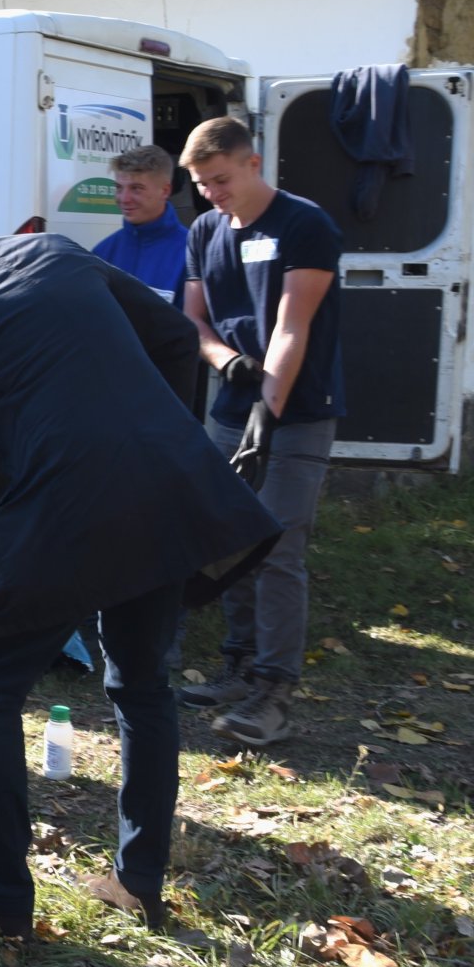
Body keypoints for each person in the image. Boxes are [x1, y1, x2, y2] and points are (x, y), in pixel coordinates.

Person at [0, 199, 279, 936]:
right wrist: (150, 430)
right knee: (143, 683)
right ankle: (137, 879)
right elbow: (179, 339)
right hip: (163, 489)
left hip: (62, 511)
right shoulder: (55, 253)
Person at [176, 117, 345, 747]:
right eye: (200, 184)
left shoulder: (306, 225)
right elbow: (192, 321)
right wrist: (227, 363)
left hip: (296, 411)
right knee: (229, 538)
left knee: (276, 545)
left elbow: (292, 324)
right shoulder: (204, 230)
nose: (212, 194)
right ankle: (238, 664)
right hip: (232, 408)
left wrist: (267, 410)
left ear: (253, 163)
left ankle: (274, 690)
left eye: (220, 180)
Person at [93, 144, 189, 303]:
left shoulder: (191, 254)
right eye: (119, 188)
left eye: (136, 188)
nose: (124, 199)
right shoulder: (103, 253)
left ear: (165, 191)